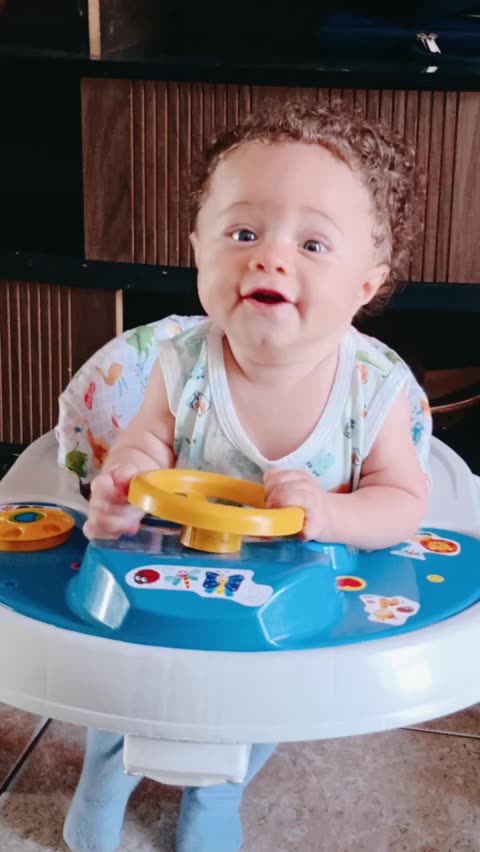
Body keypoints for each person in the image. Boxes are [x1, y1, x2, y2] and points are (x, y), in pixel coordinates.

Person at [63, 99, 431, 852]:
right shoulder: (182, 365)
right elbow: (144, 446)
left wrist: (330, 513)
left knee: (259, 708)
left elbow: (402, 503)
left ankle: (216, 794)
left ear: (367, 282)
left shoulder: (373, 388)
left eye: (313, 243)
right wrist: (124, 486)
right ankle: (104, 777)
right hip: (174, 574)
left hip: (292, 595)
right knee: (124, 684)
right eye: (243, 233)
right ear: (198, 249)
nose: (270, 258)